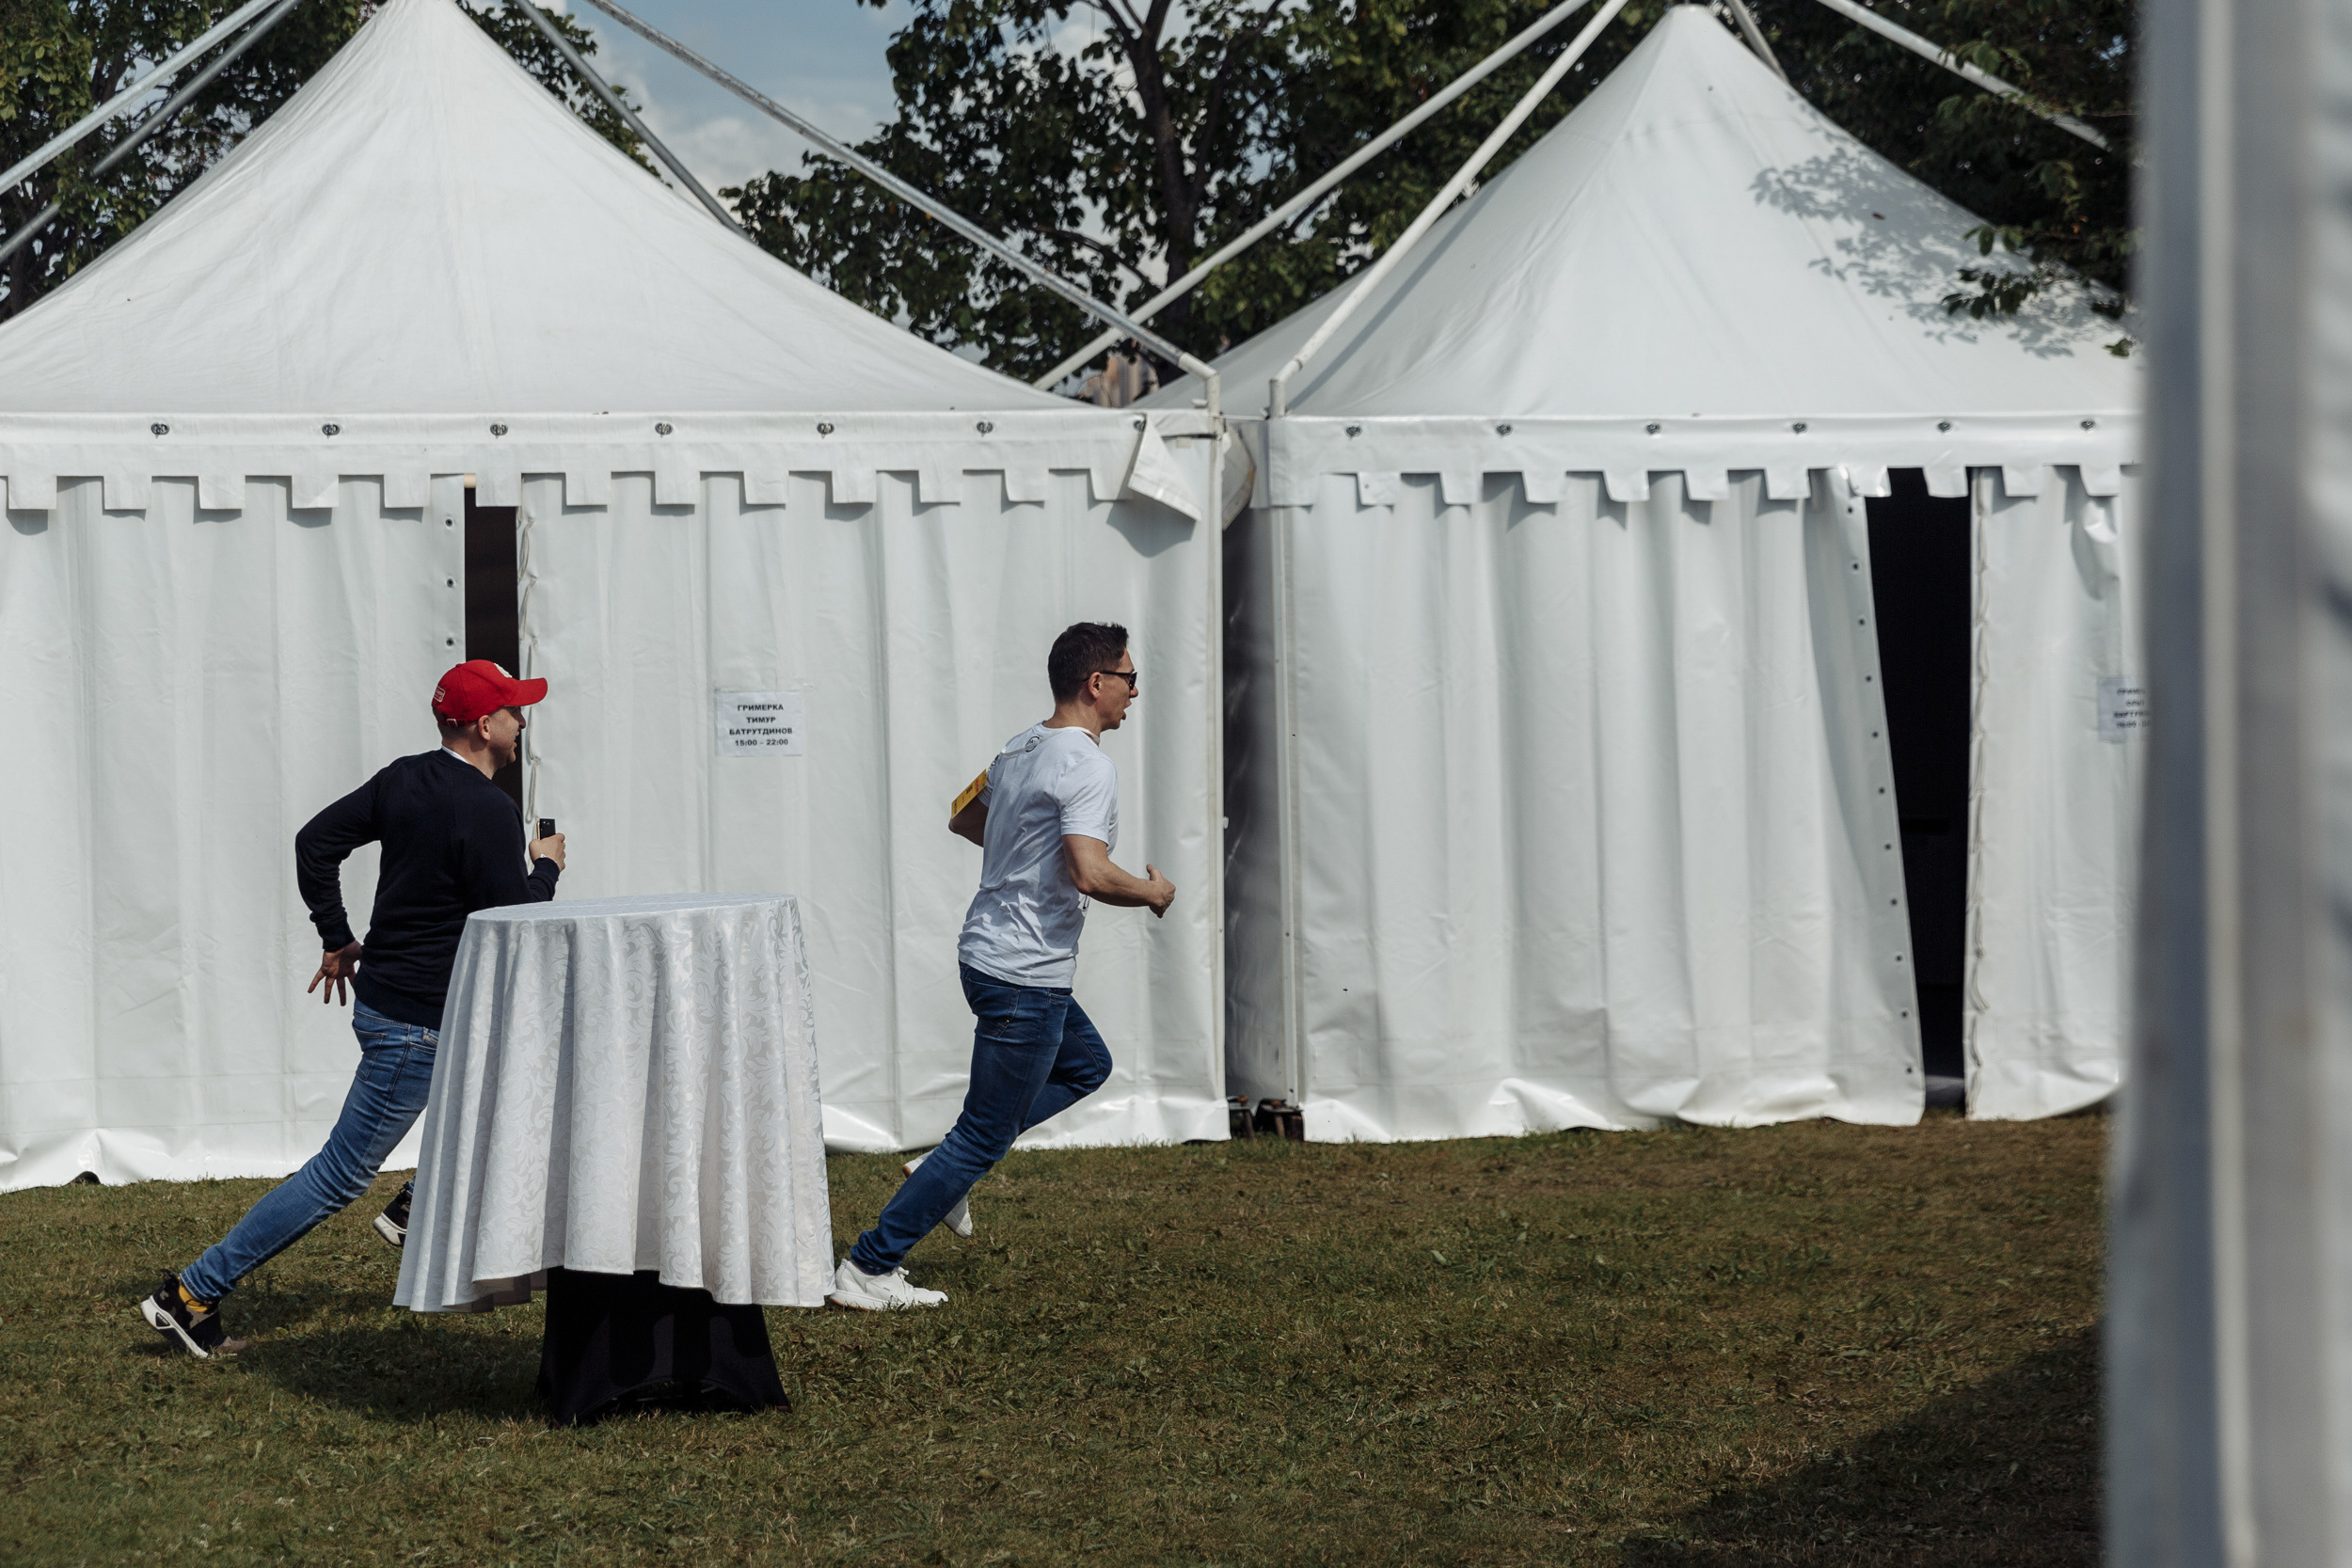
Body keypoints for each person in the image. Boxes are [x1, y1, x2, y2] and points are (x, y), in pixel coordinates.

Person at [137, 661, 567, 1357]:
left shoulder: (404, 777)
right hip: (417, 1028)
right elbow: (518, 925)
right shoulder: (488, 810)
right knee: (338, 1174)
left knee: (530, 1078)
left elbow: (316, 842)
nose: (524, 722)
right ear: (484, 725)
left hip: (409, 1008)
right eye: (516, 711)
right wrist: (545, 865)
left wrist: (337, 936)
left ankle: (418, 1203)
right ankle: (190, 1293)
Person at [828, 622, 1176, 1311]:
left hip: (986, 956)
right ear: (1096, 682)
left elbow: (964, 817)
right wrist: (1152, 892)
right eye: (1130, 679)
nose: (1136, 692)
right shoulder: (1088, 764)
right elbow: (1088, 871)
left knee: (1086, 1065)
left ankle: (943, 1172)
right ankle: (869, 1264)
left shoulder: (1020, 747)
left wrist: (1024, 850)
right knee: (981, 1137)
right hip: (1026, 971)